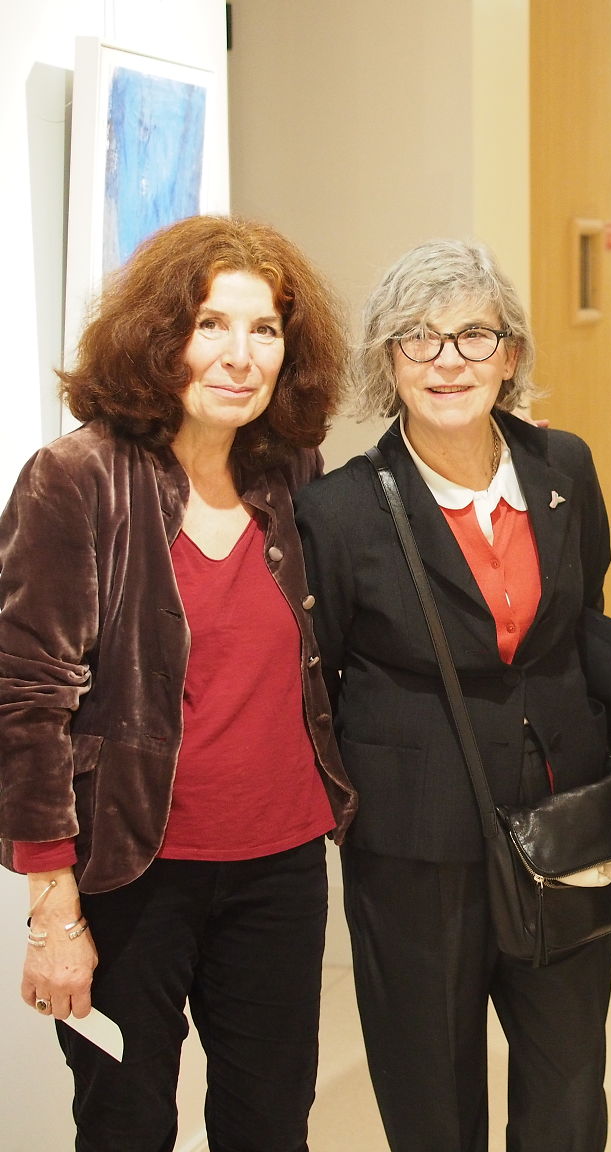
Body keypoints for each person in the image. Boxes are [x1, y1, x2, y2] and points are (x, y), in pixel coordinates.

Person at [0, 214, 357, 1151]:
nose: (241, 356)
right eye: (211, 325)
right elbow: (26, 700)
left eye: (264, 329)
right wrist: (51, 910)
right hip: (131, 869)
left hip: (280, 864)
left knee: (270, 1125)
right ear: (161, 337)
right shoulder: (75, 479)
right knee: (125, 1126)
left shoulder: (292, 473)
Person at [295, 240, 611, 1152]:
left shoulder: (565, 468)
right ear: (388, 360)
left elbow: (585, 618)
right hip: (413, 846)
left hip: (561, 824)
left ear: (510, 355)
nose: (448, 361)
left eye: (474, 335)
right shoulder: (340, 511)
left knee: (568, 1088)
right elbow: (320, 679)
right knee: (430, 1093)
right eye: (419, 338)